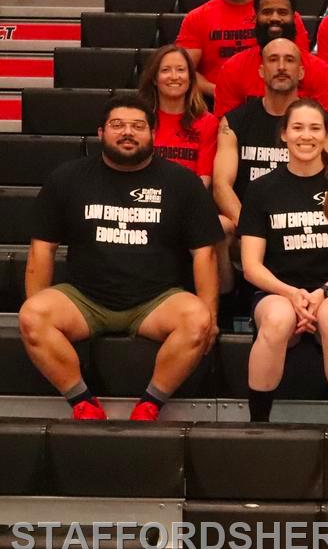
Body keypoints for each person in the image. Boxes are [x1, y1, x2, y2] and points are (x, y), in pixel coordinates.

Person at [18, 94, 222, 421]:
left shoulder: (182, 182)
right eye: (118, 125)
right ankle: (83, 403)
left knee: (198, 320)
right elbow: (42, 249)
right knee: (31, 315)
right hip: (85, 299)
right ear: (101, 132)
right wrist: (37, 302)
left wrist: (211, 315)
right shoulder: (67, 178)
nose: (128, 132)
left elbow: (204, 254)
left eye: (138, 126)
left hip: (156, 301)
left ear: (153, 133)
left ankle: (149, 405)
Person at [239, 99, 328, 423]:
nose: (306, 136)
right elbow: (251, 266)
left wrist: (323, 293)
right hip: (278, 292)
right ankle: (257, 429)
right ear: (284, 134)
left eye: (315, 128)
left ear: (326, 135)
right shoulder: (261, 189)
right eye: (297, 127)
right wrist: (292, 294)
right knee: (277, 319)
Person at [212, 38, 316, 293]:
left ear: (301, 71)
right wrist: (252, 227)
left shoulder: (319, 123)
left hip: (300, 224)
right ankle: (225, 306)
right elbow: (221, 185)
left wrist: (283, 229)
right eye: (273, 60)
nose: (281, 66)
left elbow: (324, 181)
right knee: (218, 227)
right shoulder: (234, 121)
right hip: (246, 225)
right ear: (261, 70)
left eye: (289, 60)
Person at [176, 0, 309, 95]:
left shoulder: (282, 16)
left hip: (275, 98)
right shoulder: (197, 17)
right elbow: (183, 69)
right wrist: (219, 92)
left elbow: (302, 65)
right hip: (215, 100)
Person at [213, 0, 328, 119]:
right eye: (267, 12)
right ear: (256, 18)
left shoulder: (318, 69)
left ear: (294, 18)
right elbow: (224, 124)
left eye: (282, 12)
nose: (274, 18)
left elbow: (327, 126)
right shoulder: (233, 68)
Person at [137, 44, 218, 187]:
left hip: (189, 196)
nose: (174, 77)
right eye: (165, 70)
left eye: (180, 70)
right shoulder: (140, 120)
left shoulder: (207, 122)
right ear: (154, 79)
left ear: (190, 78)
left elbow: (204, 179)